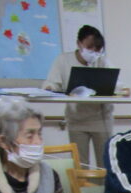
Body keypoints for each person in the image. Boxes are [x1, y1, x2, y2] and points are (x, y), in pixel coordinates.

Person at [43, 25, 115, 167]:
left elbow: (117, 84)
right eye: (90, 47)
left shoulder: (102, 61)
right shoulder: (63, 60)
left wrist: (123, 89)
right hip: (76, 119)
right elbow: (52, 83)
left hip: (101, 120)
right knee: (80, 165)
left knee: (105, 165)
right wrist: (50, 88)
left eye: (98, 49)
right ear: (79, 43)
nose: (94, 52)